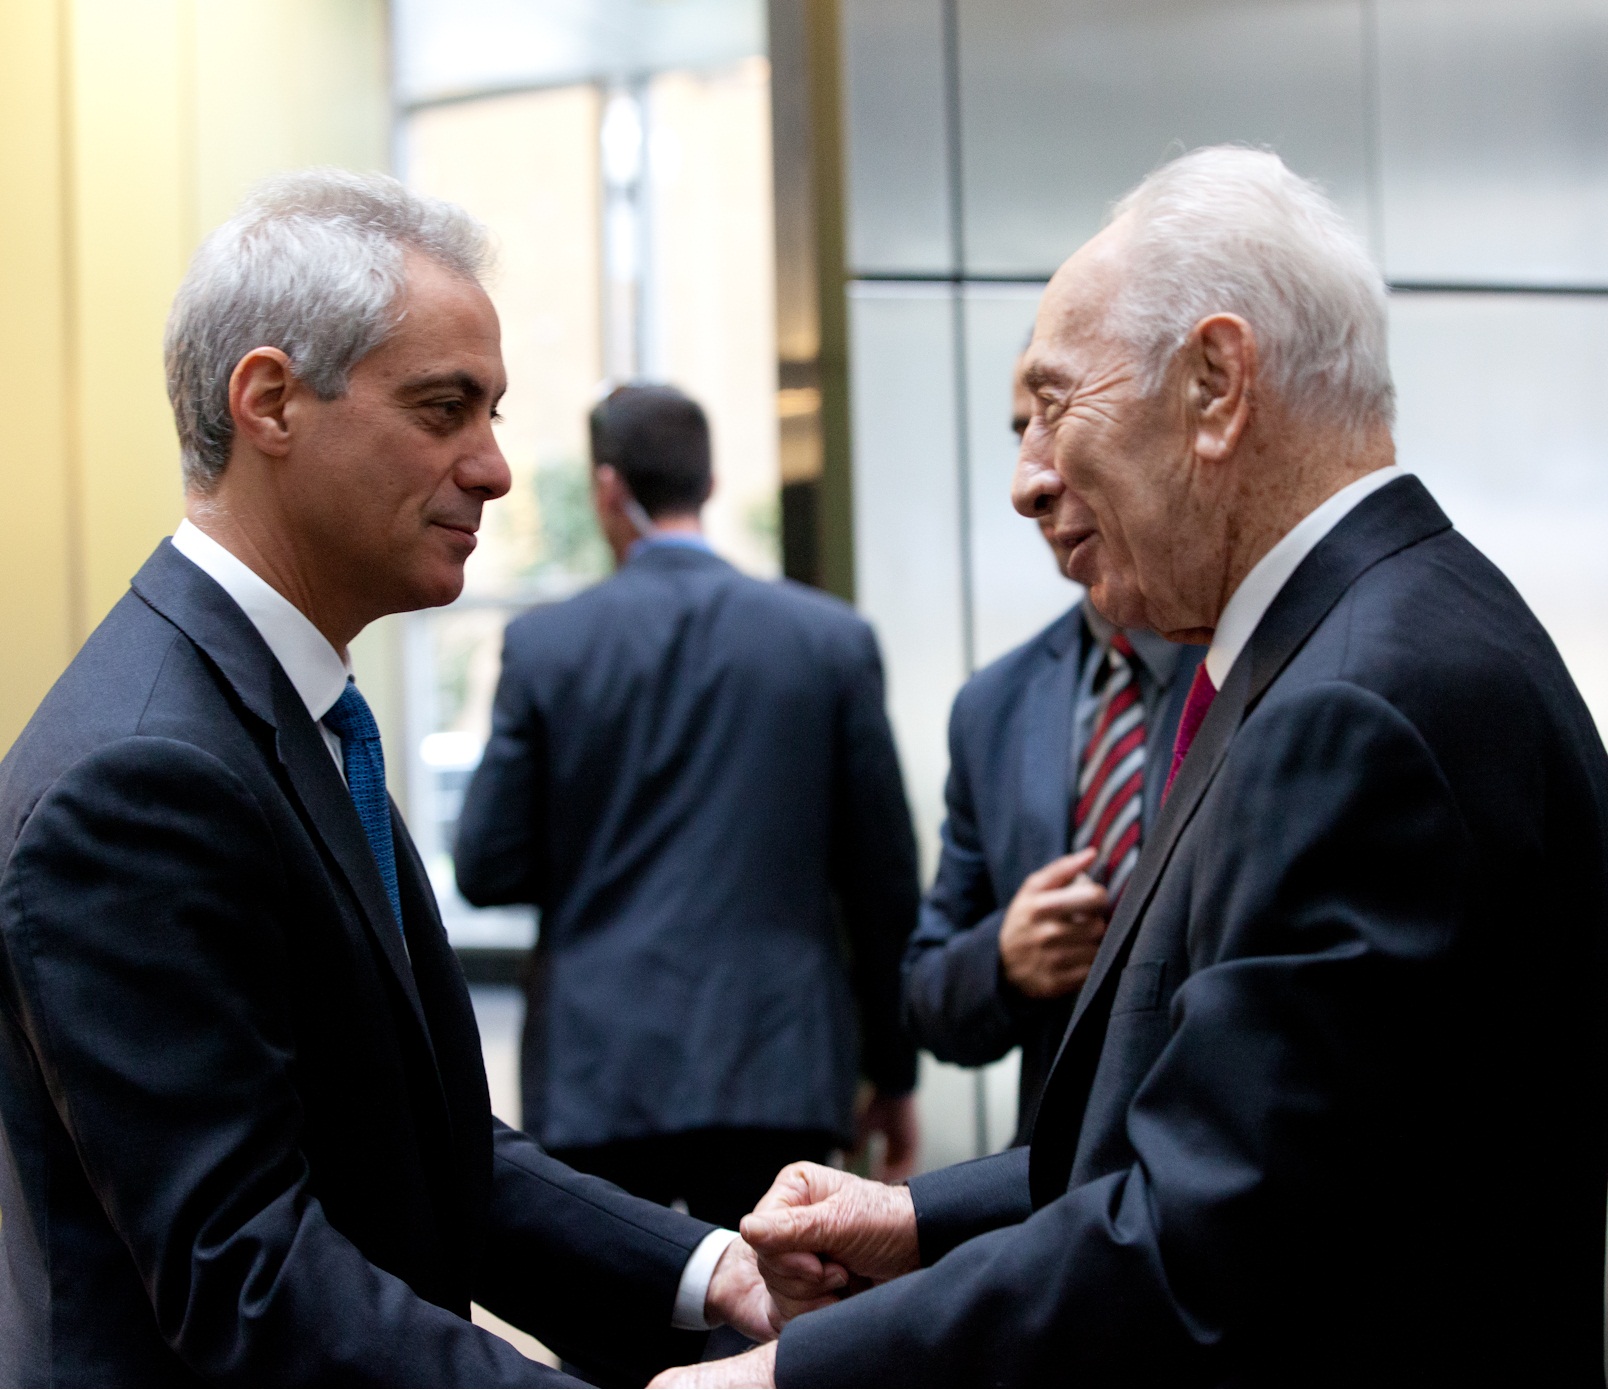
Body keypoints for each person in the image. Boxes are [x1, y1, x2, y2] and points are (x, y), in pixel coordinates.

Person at [659, 146, 1608, 1387]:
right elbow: (1247, 1138)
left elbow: (1205, 1247)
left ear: (1216, 385)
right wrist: (918, 1220)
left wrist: (792, 1372)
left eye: (1054, 405)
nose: (1026, 479)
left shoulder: (1355, 706)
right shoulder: (1374, 632)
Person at [0, 171, 782, 1387]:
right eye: (443, 408)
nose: (495, 469)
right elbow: (250, 1276)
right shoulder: (145, 775)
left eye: (494, 413)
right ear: (268, 402)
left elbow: (410, 1140)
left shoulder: (278, 709)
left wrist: (701, 1269)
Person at [454, 382, 921, 1231]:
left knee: (612, 1349)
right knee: (777, 1336)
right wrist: (893, 1073)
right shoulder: (827, 641)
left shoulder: (547, 648)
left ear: (607, 489)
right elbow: (882, 882)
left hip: (598, 1072)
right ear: (707, 483)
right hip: (778, 1062)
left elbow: (487, 867)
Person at [902, 355, 1203, 1144]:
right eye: (1017, 434)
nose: (1030, 482)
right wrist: (1004, 960)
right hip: (1052, 1193)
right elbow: (927, 996)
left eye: (1059, 425)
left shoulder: (1257, 665)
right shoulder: (993, 708)